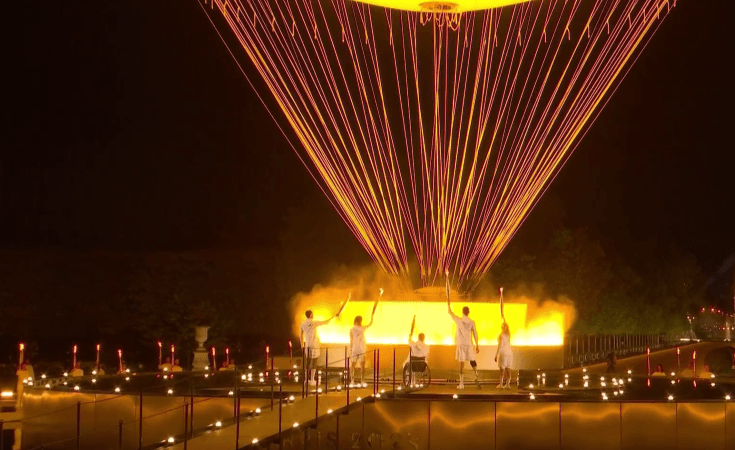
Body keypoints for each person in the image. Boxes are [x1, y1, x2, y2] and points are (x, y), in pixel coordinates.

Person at [447, 298, 481, 389]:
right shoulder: (472, 322)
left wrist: (448, 304)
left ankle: (461, 384)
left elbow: (450, 313)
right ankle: (476, 375)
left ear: (462, 312)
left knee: (461, 364)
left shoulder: (459, 320)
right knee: (472, 360)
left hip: (461, 345)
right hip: (469, 344)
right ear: (468, 312)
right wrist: (477, 345)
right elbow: (475, 334)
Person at [300, 309, 336, 387]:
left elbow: (301, 335)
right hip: (314, 345)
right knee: (314, 362)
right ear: (311, 315)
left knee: (307, 362)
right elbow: (326, 322)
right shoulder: (314, 322)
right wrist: (333, 317)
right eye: (312, 314)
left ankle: (306, 379)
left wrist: (302, 345)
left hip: (307, 345)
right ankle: (312, 379)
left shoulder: (302, 323)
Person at [350, 313, 375, 385]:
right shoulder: (359, 329)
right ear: (358, 321)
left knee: (355, 364)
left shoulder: (353, 329)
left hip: (356, 348)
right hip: (360, 349)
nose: (361, 322)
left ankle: (354, 381)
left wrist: (351, 349)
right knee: (359, 364)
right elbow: (370, 324)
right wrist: (372, 318)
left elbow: (350, 340)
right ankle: (359, 380)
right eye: (360, 320)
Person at [494, 322, 513, 389]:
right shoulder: (508, 334)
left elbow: (500, 346)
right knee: (508, 369)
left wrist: (496, 355)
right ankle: (508, 384)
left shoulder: (501, 335)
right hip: (509, 353)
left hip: (503, 353)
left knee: (502, 370)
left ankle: (501, 384)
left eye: (502, 327)